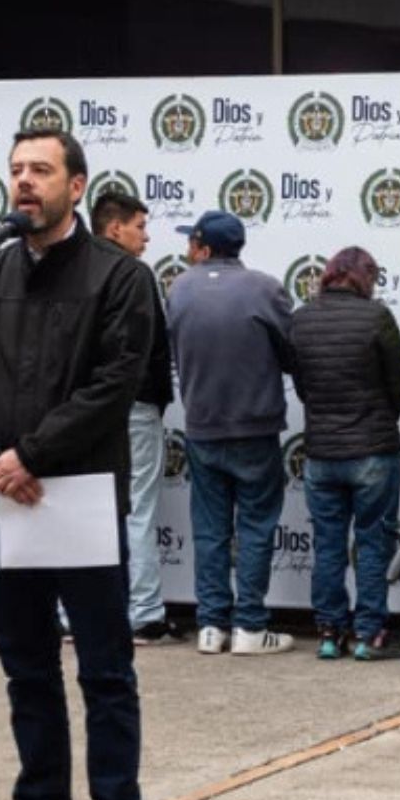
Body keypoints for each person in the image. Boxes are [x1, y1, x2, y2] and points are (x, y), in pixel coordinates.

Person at [0, 128, 157, 800]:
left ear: (77, 185)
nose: (24, 182)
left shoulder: (119, 277)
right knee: (25, 669)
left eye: (40, 170)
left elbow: (114, 384)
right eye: (14, 171)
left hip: (78, 499)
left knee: (104, 671)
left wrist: (30, 455)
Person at [166, 210, 295, 656]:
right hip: (256, 426)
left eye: (191, 243)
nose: (187, 251)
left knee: (210, 529)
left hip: (203, 426)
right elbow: (291, 351)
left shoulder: (179, 289)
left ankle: (210, 626)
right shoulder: (265, 288)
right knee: (256, 527)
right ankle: (250, 628)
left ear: (202, 247)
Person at [289, 247, 400, 661]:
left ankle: (328, 633)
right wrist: (382, 416)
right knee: (373, 544)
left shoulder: (302, 319)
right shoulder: (377, 317)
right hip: (373, 449)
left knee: (327, 545)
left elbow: (303, 384)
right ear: (366, 278)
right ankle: (370, 635)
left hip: (321, 452)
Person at [89, 192, 175, 644]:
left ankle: (74, 613)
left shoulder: (72, 267)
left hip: (84, 411)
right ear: (114, 227)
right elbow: (144, 348)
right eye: (140, 226)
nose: (146, 236)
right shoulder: (133, 273)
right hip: (131, 406)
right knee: (136, 509)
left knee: (88, 510)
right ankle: (143, 611)